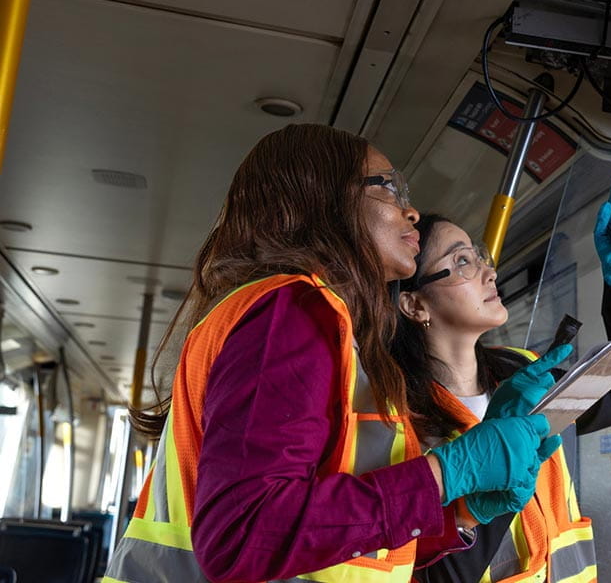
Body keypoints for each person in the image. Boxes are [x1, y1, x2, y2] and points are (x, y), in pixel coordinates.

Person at [103, 124, 557, 583]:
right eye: (388, 188)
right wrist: (443, 474)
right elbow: (244, 535)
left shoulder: (331, 330)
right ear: (325, 199)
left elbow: (343, 545)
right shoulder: (290, 310)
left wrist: (460, 511)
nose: (412, 211)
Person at [390, 172, 611, 583]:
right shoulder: (398, 417)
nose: (489, 273)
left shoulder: (521, 371)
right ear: (414, 305)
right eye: (461, 261)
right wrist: (479, 506)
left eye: (480, 258)